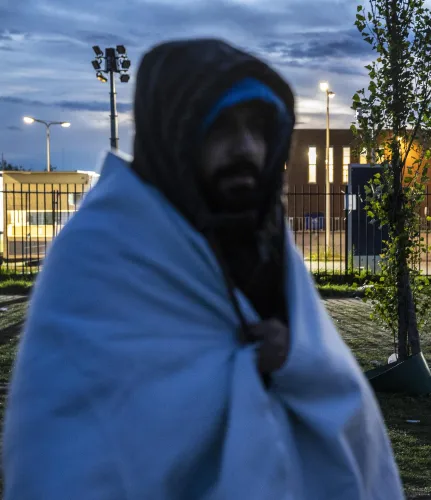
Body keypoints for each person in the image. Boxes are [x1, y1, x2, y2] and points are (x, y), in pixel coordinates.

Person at [3, 39, 403, 499]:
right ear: (176, 132)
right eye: (222, 128)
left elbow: (334, 391)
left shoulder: (265, 239)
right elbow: (78, 450)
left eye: (258, 129)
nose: (246, 148)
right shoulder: (104, 249)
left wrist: (294, 356)